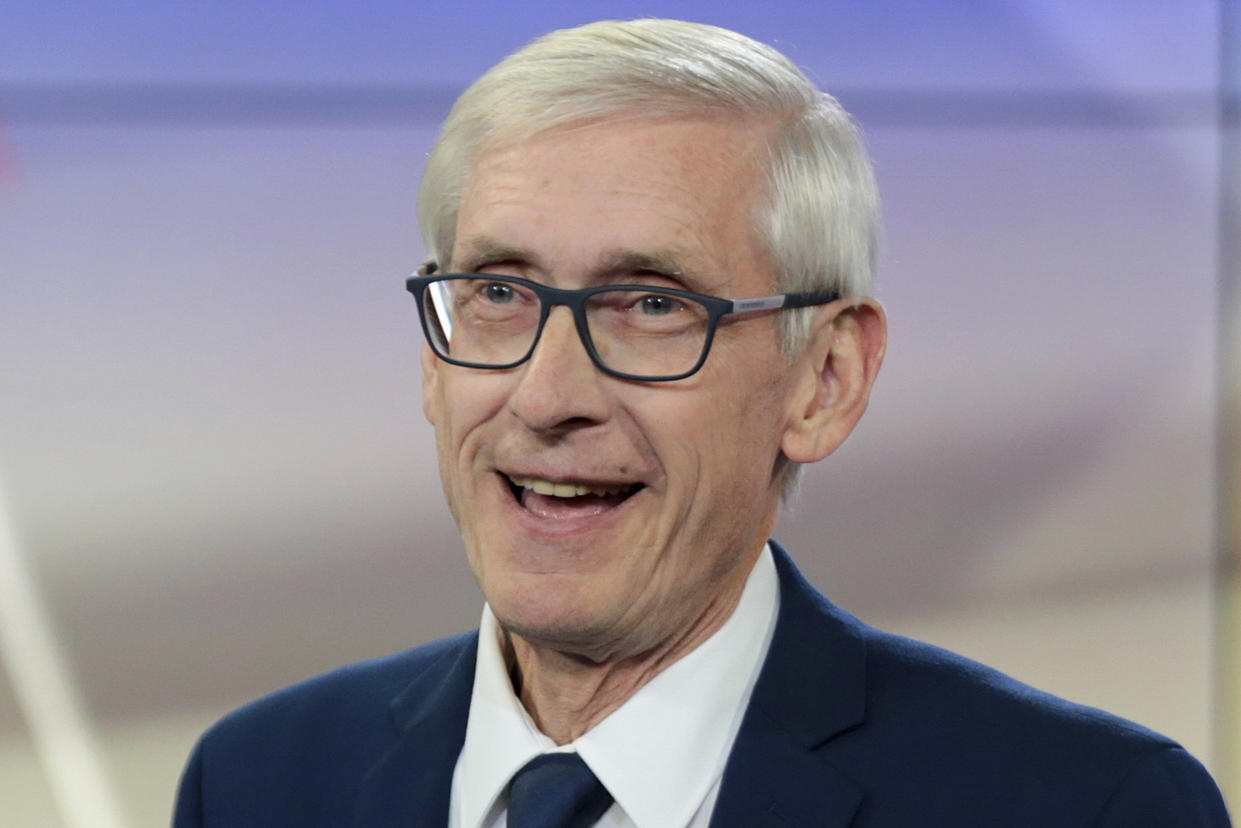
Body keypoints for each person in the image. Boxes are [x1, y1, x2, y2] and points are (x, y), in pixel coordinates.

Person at [173, 18, 1231, 827]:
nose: (545, 398)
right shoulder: (261, 782)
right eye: (499, 293)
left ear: (822, 380)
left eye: (650, 305)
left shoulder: (1079, 807)